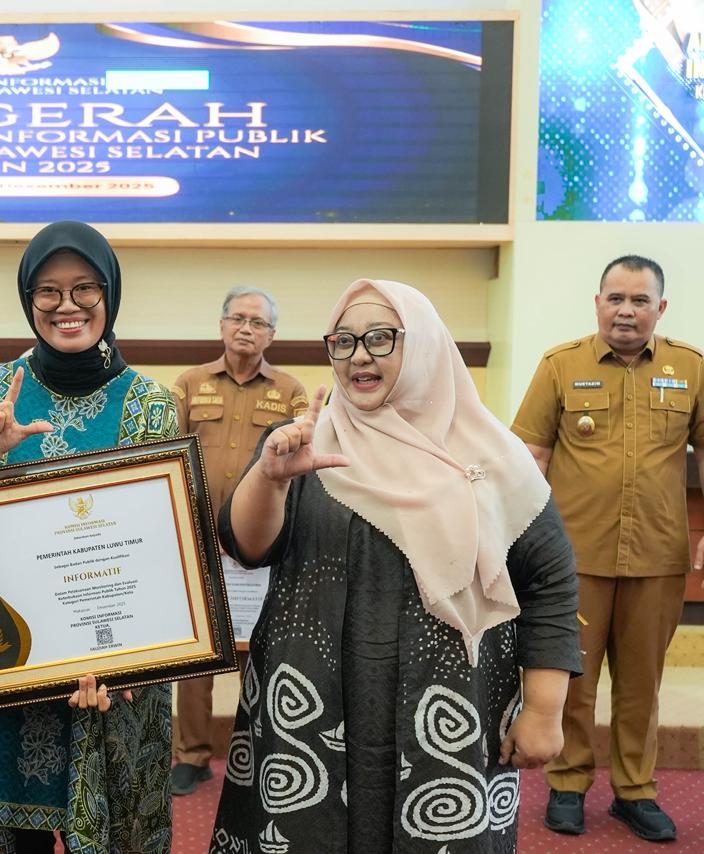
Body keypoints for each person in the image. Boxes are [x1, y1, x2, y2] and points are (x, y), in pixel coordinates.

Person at [210, 279, 580, 853]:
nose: (359, 355)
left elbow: (550, 580)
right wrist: (270, 477)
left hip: (446, 706)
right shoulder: (304, 442)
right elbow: (246, 546)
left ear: (425, 344)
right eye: (344, 341)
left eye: (382, 338)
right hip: (311, 699)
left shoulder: (494, 458)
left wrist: (544, 708)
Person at [0, 220, 178, 852]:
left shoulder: (149, 403)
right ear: (28, 299)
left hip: (116, 676)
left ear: (110, 293)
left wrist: (129, 655)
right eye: (47, 290)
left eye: (84, 288)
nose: (67, 305)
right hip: (7, 669)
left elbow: (163, 548)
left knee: (115, 834)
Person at [511, 255, 702, 842]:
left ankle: (635, 791)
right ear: (598, 303)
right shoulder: (560, 365)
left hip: (657, 556)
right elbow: (528, 458)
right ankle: (567, 784)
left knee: (642, 685)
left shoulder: (691, 368)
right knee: (572, 679)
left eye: (639, 300)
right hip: (573, 560)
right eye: (615, 298)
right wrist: (519, 542)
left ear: (660, 308)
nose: (626, 310)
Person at [168, 285, 308, 796]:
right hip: (199, 542)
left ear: (272, 334)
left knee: (259, 649)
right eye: (238, 319)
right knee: (198, 654)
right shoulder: (189, 384)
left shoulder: (290, 391)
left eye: (258, 322)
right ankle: (192, 755)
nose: (246, 328)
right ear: (222, 325)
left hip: (259, 547)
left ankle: (257, 752)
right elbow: (167, 454)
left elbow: (301, 465)